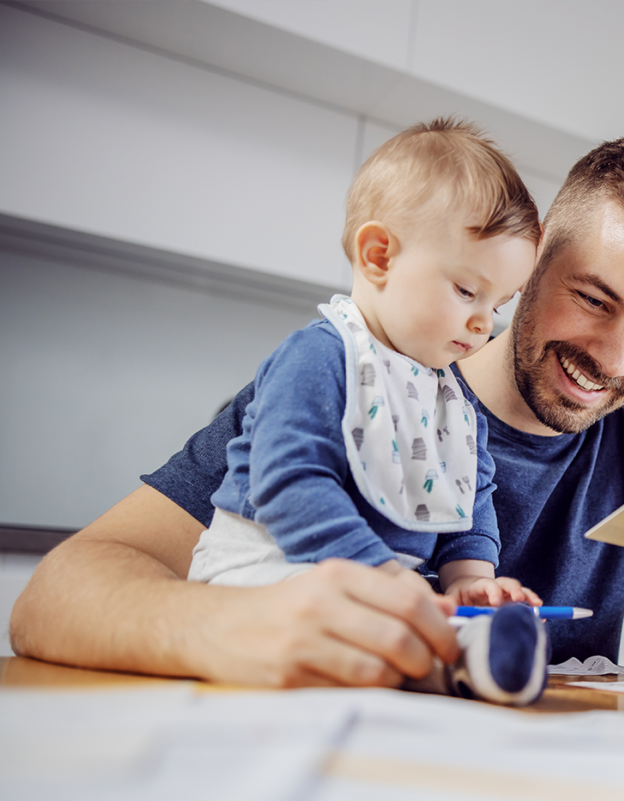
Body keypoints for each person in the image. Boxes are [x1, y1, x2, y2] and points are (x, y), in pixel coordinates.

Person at [10, 133, 624, 687]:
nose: (614, 360)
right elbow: (54, 596)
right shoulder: (344, 380)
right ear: (530, 261)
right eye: (594, 299)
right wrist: (225, 627)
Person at [187, 118, 540, 615]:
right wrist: (383, 573)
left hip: (373, 589)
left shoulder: (453, 403)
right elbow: (289, 484)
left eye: (498, 305)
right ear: (378, 257)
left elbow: (469, 504)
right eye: (467, 291)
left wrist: (470, 580)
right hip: (261, 577)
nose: (484, 324)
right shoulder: (320, 358)